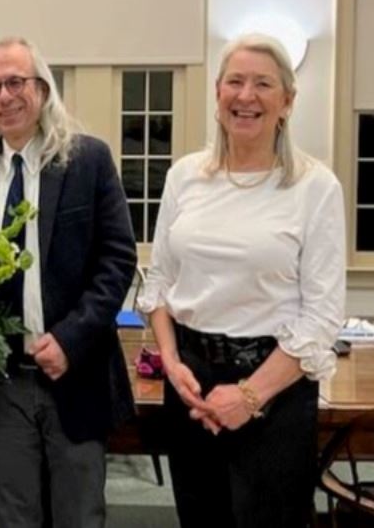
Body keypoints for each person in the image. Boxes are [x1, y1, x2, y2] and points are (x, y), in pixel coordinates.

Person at [138, 33, 346, 528]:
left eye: (263, 84)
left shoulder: (316, 187)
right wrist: (171, 362)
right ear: (217, 93)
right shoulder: (184, 176)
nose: (245, 96)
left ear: (287, 101)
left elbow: (321, 317)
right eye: (234, 81)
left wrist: (249, 396)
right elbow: (160, 281)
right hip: (190, 387)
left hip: (275, 389)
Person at [0, 37, 137, 528]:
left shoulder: (88, 160)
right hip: (1, 385)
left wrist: (71, 339)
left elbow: (117, 261)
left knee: (79, 516)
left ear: (44, 89)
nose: (4, 96)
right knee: (14, 517)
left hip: (75, 377)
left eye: (16, 82)